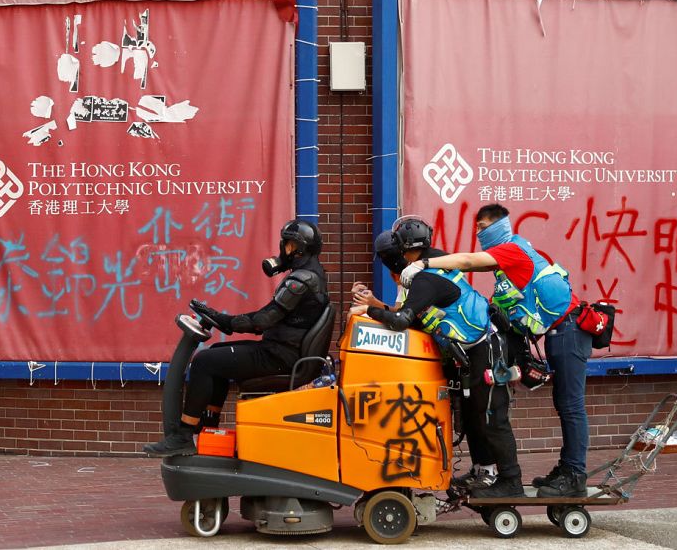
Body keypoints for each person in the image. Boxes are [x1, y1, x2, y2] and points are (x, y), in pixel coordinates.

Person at [402, 204, 591, 498]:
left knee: (570, 405)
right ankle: (568, 469)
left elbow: (467, 261)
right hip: (563, 331)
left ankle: (574, 474)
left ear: (497, 226)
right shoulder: (512, 254)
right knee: (564, 404)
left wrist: (424, 265)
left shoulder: (511, 250)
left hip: (569, 330)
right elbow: (476, 266)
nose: (477, 232)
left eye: (481, 226)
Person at [349, 218, 523, 498]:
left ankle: (511, 481)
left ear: (405, 249)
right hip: (470, 352)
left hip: (486, 349)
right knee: (471, 414)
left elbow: (401, 320)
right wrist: (376, 305)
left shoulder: (424, 279)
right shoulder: (437, 260)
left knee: (491, 416)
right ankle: (484, 471)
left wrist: (369, 312)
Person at [144, 219, 329, 457]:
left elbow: (262, 321)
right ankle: (209, 430)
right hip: (284, 352)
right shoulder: (312, 275)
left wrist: (224, 320)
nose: (284, 250)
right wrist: (223, 321)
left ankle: (182, 436)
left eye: (288, 245)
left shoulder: (301, 280)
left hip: (280, 356)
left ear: (299, 248)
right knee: (215, 355)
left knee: (204, 362)